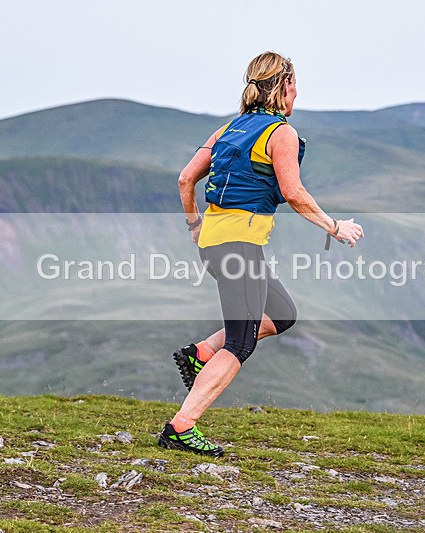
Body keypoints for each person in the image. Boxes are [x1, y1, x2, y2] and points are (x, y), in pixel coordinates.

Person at [158, 51, 364, 456]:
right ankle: (181, 427)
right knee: (240, 343)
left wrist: (195, 225)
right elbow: (293, 192)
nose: (297, 93)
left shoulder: (229, 128)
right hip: (239, 247)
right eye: (295, 85)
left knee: (282, 313)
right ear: (284, 88)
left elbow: (185, 179)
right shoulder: (280, 133)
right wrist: (334, 227)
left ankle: (200, 354)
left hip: (217, 244)